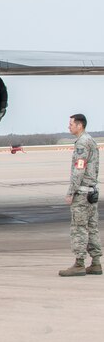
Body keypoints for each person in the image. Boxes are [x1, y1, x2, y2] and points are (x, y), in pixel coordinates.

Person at [59, 114, 101, 277]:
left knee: (79, 228)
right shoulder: (90, 140)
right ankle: (96, 263)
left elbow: (79, 170)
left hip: (82, 193)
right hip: (91, 191)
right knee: (92, 228)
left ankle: (79, 263)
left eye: (71, 124)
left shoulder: (82, 143)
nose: (68, 127)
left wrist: (71, 192)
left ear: (79, 125)